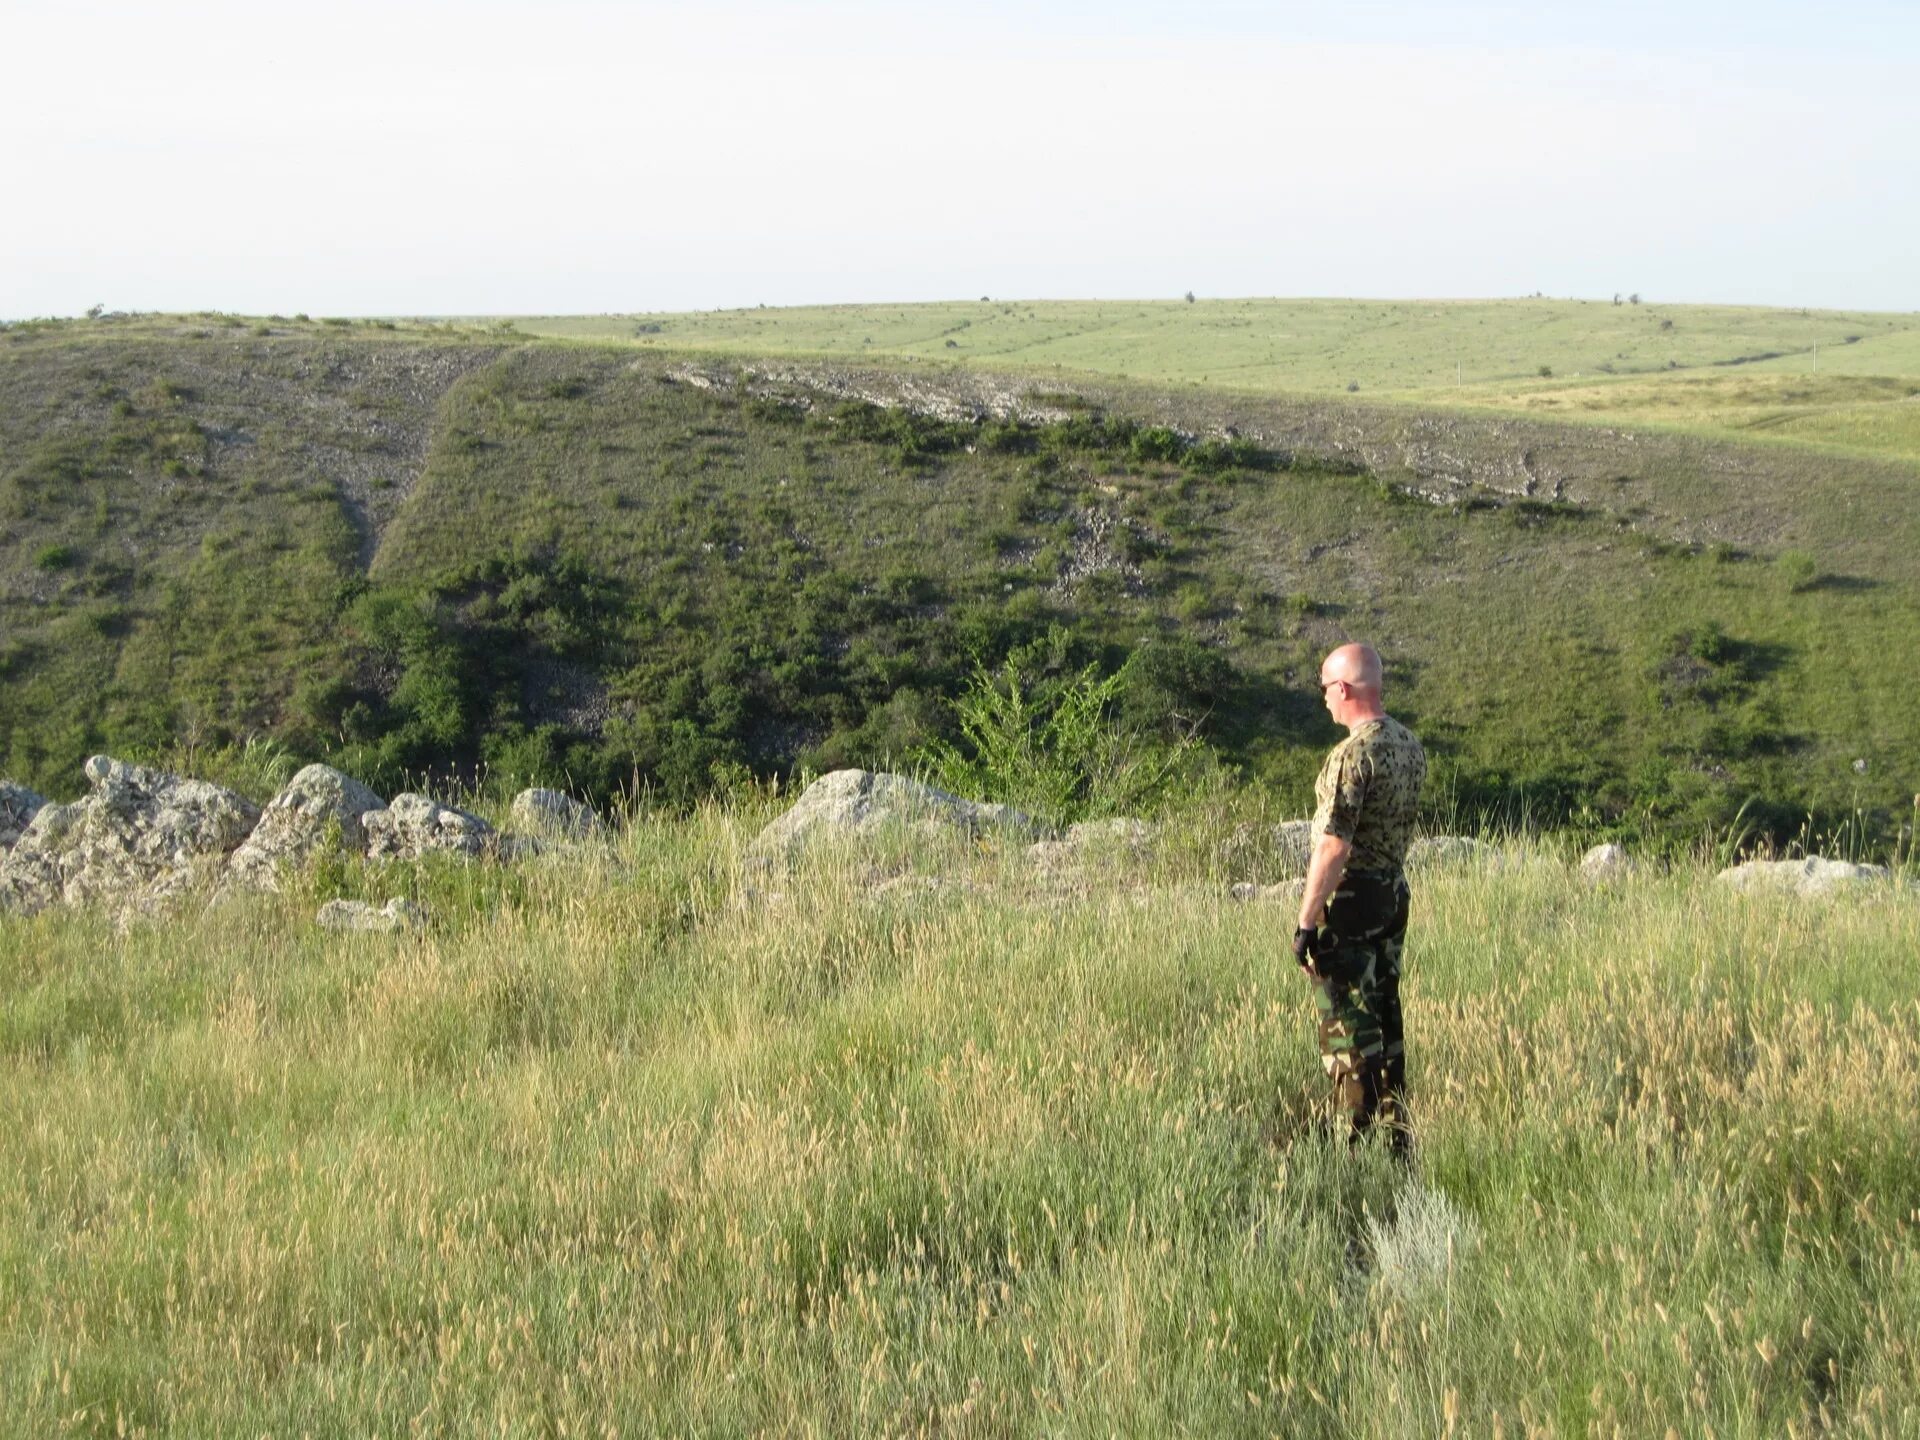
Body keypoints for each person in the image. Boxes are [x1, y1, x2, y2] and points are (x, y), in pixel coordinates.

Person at [1291, 642, 1426, 1149]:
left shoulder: (1351, 755)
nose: (1324, 698)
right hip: (1392, 893)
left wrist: (1307, 922)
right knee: (1386, 1020)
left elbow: (1333, 845)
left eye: (1325, 688)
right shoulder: (1410, 745)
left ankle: (1354, 1146)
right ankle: (1397, 1140)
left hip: (1350, 905)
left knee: (1349, 1028)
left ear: (1343, 689)